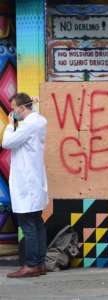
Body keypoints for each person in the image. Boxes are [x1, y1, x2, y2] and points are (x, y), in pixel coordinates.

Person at [2, 93, 48, 278]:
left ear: (22, 108)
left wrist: (9, 125)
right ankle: (40, 263)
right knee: (37, 223)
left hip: (27, 183)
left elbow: (6, 143)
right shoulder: (38, 122)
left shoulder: (28, 125)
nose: (13, 112)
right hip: (33, 181)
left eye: (14, 108)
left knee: (28, 224)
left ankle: (31, 265)